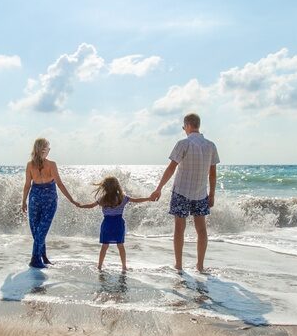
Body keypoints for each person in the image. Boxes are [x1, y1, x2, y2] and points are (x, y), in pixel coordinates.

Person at [150, 113, 219, 272]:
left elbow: (171, 168)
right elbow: (213, 174)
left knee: (179, 230)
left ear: (187, 125)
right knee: (201, 230)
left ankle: (179, 265)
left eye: (184, 127)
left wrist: (159, 188)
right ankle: (200, 266)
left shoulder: (183, 143)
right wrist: (212, 194)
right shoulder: (211, 145)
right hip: (201, 193)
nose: (184, 130)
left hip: (181, 191)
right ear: (198, 125)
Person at [21, 138, 77, 269]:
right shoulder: (48, 164)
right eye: (48, 147)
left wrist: (24, 201)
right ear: (43, 149)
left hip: (38, 198)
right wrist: (72, 200)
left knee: (40, 230)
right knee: (38, 231)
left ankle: (42, 257)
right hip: (44, 199)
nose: (50, 150)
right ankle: (35, 259)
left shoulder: (33, 165)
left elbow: (27, 186)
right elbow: (59, 184)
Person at [76, 176, 151, 271]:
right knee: (120, 245)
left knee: (104, 246)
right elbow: (137, 200)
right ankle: (124, 266)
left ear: (105, 187)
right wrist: (149, 198)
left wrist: (80, 206)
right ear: (117, 186)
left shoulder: (102, 199)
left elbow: (91, 206)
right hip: (118, 224)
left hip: (107, 224)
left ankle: (99, 266)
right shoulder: (122, 198)